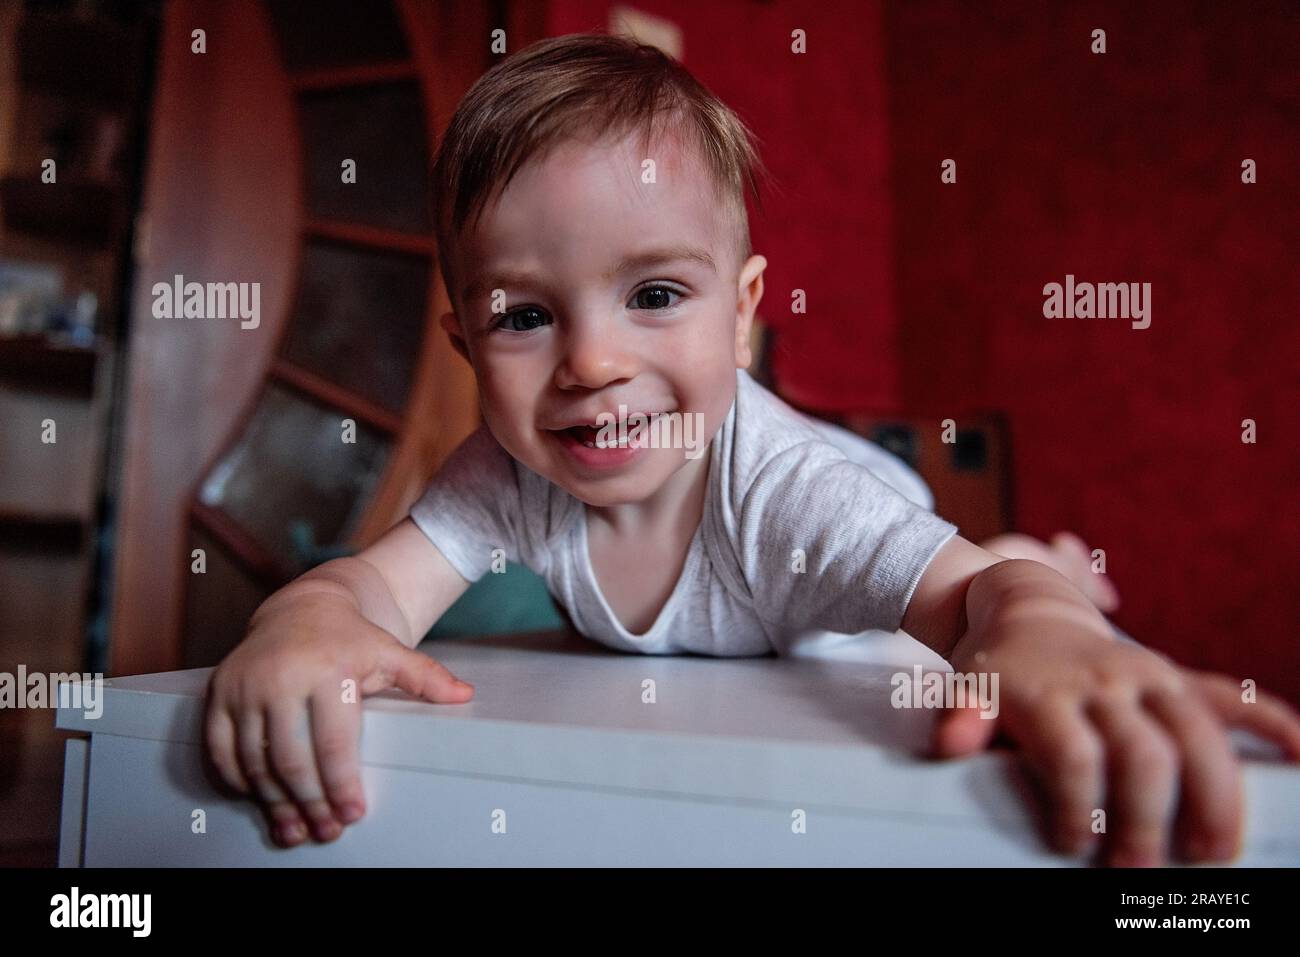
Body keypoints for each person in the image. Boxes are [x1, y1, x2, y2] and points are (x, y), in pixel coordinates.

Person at [203, 33, 1300, 865]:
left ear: (741, 315)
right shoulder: (501, 475)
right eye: (524, 317)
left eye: (654, 294)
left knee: (972, 611)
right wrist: (299, 620)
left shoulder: (786, 495)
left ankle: (1063, 558)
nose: (590, 363)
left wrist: (1047, 621)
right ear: (465, 344)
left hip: (861, 529)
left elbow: (976, 598)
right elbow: (371, 591)